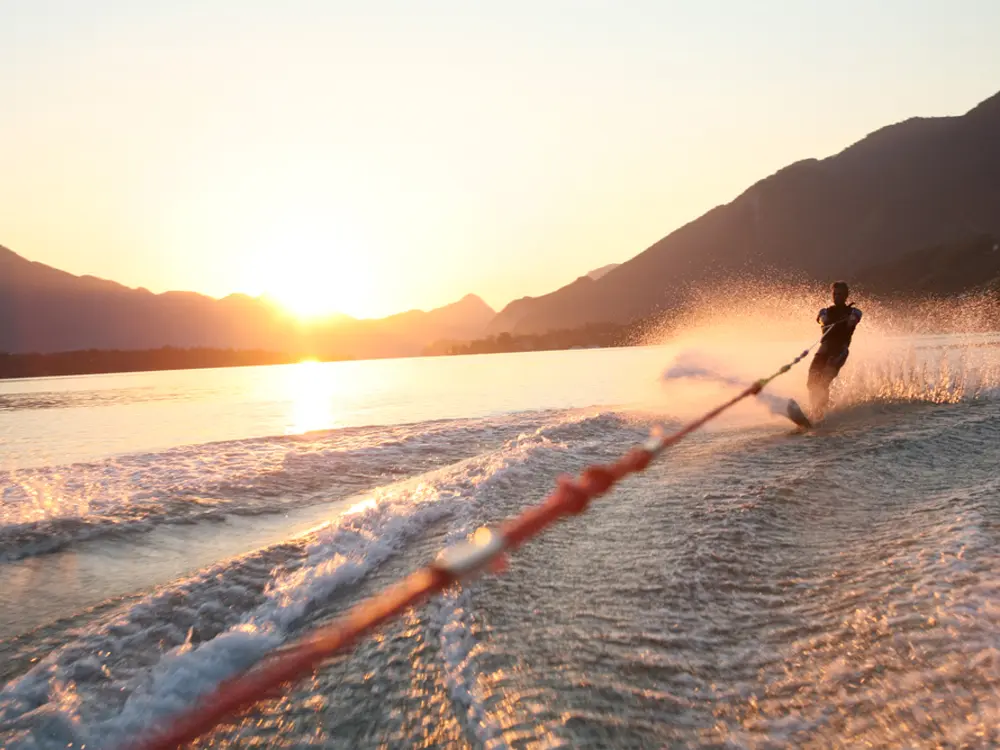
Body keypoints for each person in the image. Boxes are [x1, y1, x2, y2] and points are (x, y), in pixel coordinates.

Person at [807, 281, 862, 419]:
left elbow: (854, 319)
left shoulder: (854, 312)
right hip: (823, 350)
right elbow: (822, 319)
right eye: (834, 294)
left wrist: (850, 320)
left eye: (839, 294)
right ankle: (815, 410)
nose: (836, 296)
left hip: (839, 351)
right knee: (812, 382)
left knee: (824, 381)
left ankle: (819, 413)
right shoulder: (825, 311)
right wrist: (825, 321)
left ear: (846, 296)